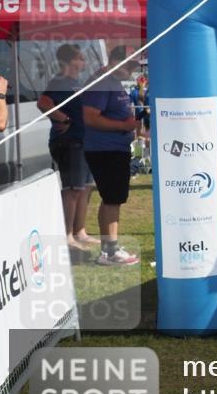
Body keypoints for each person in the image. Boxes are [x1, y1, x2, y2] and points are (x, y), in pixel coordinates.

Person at [81, 46, 141, 265]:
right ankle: (110, 252)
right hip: (105, 149)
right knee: (113, 199)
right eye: (131, 65)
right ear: (116, 60)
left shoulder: (110, 81)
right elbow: (90, 117)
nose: (134, 71)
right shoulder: (102, 82)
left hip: (113, 148)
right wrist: (122, 125)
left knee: (111, 199)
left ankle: (109, 249)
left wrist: (128, 126)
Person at [37, 45, 98, 250]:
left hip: (84, 141)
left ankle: (80, 231)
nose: (84, 63)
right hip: (70, 142)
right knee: (73, 190)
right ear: (69, 61)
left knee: (85, 188)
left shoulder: (75, 83)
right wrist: (64, 119)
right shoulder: (59, 82)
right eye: (80, 58)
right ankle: (67, 235)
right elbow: (43, 103)